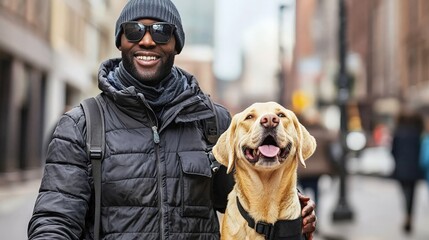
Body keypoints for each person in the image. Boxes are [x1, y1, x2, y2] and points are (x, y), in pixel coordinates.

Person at [28, 0, 317, 239]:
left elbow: (250, 199)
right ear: (120, 41)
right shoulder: (82, 125)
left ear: (176, 44)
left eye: (162, 31)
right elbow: (54, 221)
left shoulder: (213, 122)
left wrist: (293, 213)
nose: (148, 40)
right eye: (134, 30)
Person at [391, 108, 424, 234]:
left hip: (401, 168)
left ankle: (407, 216)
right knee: (412, 194)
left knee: (405, 193)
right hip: (414, 169)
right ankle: (409, 216)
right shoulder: (417, 134)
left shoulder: (398, 133)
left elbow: (393, 151)